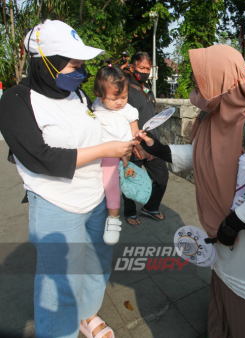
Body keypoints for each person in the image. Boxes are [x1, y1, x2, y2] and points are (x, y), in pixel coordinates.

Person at [136, 44, 245, 338]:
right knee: (227, 300)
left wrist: (232, 223)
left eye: (200, 83)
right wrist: (159, 149)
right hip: (225, 243)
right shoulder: (211, 117)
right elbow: (202, 154)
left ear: (221, 81)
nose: (195, 90)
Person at [0, 20, 135, 338]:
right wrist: (107, 148)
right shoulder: (17, 102)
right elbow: (43, 157)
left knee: (97, 265)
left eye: (82, 64)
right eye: (73, 64)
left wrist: (123, 147)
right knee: (59, 288)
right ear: (45, 62)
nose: (82, 72)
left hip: (96, 198)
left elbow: (94, 131)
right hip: (57, 206)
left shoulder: (77, 95)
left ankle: (86, 314)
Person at [93, 66, 140, 245]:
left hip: (124, 152)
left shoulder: (127, 110)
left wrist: (136, 142)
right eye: (114, 98)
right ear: (100, 95)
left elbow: (134, 130)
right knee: (110, 184)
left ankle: (116, 216)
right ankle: (113, 218)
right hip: (105, 153)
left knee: (124, 184)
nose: (120, 102)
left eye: (123, 97)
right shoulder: (95, 109)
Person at [123, 51, 169, 225]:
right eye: (141, 67)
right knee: (131, 179)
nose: (144, 71)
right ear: (133, 66)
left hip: (151, 142)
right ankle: (130, 212)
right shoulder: (124, 87)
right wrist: (133, 143)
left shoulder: (147, 88)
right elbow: (121, 115)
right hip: (133, 142)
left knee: (162, 176)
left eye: (148, 68)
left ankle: (150, 207)